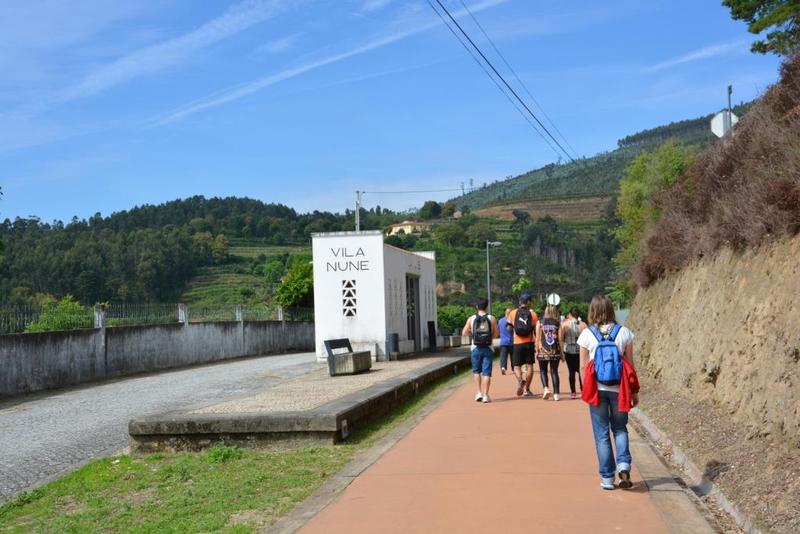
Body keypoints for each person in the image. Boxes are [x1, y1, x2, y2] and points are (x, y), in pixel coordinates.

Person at [578, 294, 639, 491]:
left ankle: (607, 478)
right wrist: (634, 391)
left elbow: (583, 366)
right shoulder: (624, 333)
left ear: (593, 311)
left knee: (601, 433)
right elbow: (630, 365)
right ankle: (624, 465)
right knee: (620, 428)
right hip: (619, 389)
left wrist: (585, 389)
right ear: (612, 309)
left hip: (597, 390)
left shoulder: (587, 334)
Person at [462, 298, 500, 403]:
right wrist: (489, 337)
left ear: (477, 307)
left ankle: (478, 392)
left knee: (476, 371)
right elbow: (496, 334)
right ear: (487, 306)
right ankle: (486, 395)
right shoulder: (491, 318)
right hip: (488, 347)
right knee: (487, 372)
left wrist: (472, 332)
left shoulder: (471, 318)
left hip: (475, 348)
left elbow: (464, 333)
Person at [505, 293, 538, 397]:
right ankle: (527, 389)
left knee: (516, 366)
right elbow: (536, 328)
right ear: (528, 302)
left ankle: (520, 380)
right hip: (529, 342)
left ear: (520, 302)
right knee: (529, 366)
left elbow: (508, 328)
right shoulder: (532, 314)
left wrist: (515, 328)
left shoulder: (513, 313)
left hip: (517, 343)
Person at [536, 304, 563, 400]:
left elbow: (538, 338)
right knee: (554, 371)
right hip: (555, 350)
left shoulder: (540, 322)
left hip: (543, 350)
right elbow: (560, 339)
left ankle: (546, 388)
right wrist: (562, 353)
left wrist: (536, 350)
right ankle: (556, 394)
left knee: (543, 370)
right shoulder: (557, 323)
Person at [560, 307, 586, 399]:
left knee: (571, 372)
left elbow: (561, 339)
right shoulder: (583, 325)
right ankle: (583, 391)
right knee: (580, 371)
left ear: (570, 314)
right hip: (580, 351)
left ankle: (573, 392)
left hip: (569, 351)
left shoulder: (564, 325)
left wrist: (562, 353)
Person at [498, 307, 514, 374]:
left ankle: (503, 367)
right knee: (513, 357)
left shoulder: (500, 321)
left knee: (503, 356)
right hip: (511, 341)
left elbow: (498, 330)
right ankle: (514, 368)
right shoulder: (512, 320)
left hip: (503, 342)